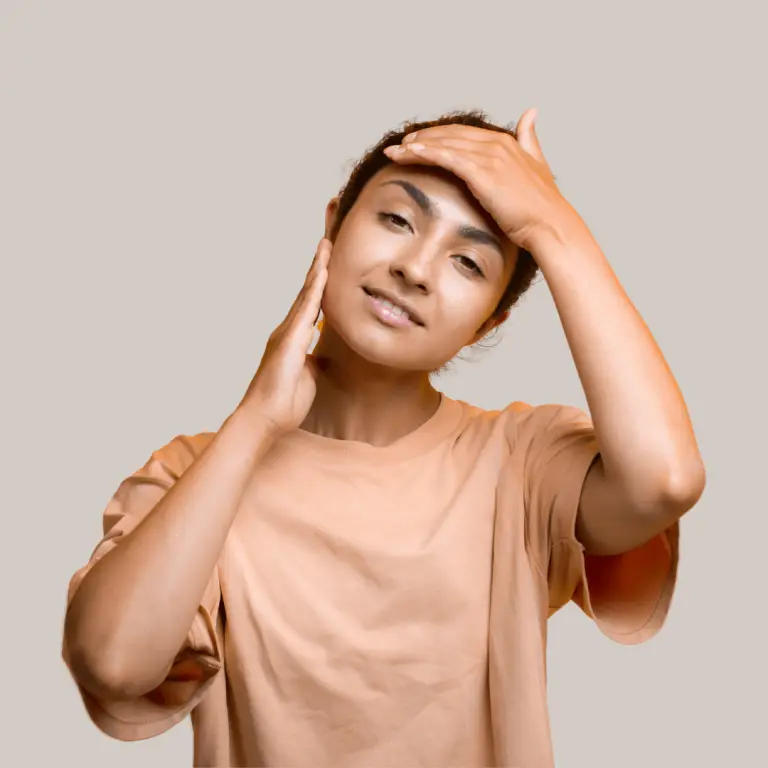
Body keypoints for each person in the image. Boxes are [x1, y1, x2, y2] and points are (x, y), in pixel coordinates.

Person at [61, 107, 705, 768]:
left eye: (469, 262)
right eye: (398, 220)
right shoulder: (194, 474)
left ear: (491, 322)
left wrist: (553, 224)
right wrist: (254, 420)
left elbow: (667, 479)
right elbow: (113, 663)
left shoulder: (522, 461)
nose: (417, 269)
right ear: (334, 224)